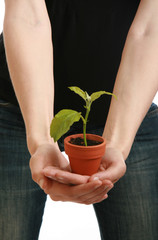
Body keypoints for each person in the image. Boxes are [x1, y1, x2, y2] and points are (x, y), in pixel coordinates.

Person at [0, 0, 158, 239]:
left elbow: (151, 29)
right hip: (16, 110)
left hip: (132, 112)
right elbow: (27, 15)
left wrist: (116, 144)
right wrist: (42, 139)